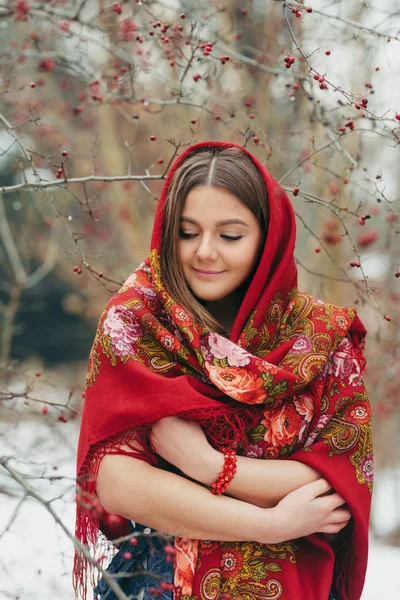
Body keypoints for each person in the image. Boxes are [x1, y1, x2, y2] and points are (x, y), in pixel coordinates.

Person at [74, 141, 373, 600]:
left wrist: (207, 465)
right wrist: (271, 523)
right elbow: (118, 484)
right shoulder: (137, 322)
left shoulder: (321, 338)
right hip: (164, 583)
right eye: (187, 232)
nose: (204, 253)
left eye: (230, 236)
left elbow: (337, 481)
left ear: (269, 238)